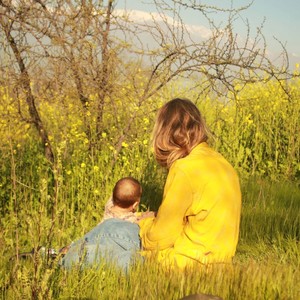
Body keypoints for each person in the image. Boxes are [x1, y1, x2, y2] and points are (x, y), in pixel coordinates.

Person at [139, 98, 242, 269]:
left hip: (188, 262)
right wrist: (156, 216)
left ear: (164, 132)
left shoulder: (185, 168)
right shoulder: (222, 162)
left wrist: (141, 224)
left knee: (119, 236)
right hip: (221, 262)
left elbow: (159, 239)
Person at [61, 177, 144, 271]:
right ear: (135, 205)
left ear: (112, 198)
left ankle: (64, 252)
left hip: (98, 236)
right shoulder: (133, 219)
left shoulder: (109, 207)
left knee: (83, 247)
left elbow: (116, 195)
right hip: (116, 241)